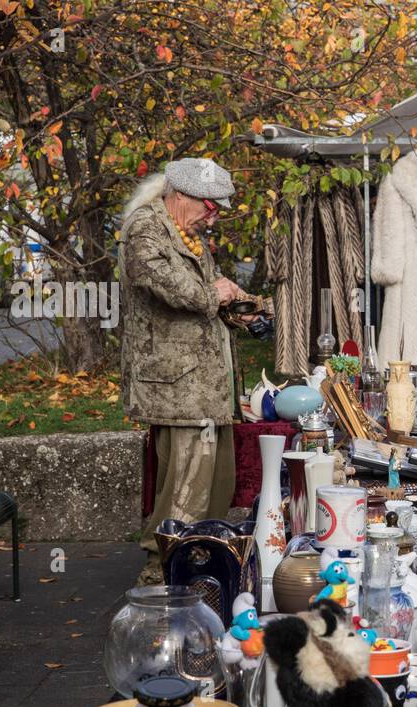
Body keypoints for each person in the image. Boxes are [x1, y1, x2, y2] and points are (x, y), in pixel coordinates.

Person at [121, 158, 253, 585]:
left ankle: (200, 569)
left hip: (205, 386)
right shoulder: (145, 226)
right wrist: (214, 293)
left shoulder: (187, 234)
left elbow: (207, 298)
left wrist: (239, 306)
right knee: (185, 489)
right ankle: (160, 576)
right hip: (178, 386)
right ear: (181, 195)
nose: (212, 217)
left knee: (215, 484)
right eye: (209, 206)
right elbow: (159, 281)